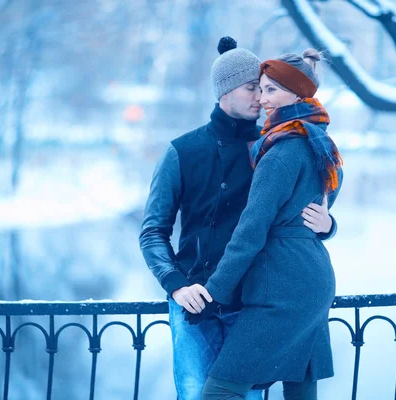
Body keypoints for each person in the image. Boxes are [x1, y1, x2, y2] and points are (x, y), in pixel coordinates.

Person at [139, 37, 339, 400]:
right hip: (194, 299)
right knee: (197, 393)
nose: (260, 99)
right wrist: (175, 284)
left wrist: (328, 224)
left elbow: (307, 201)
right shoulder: (181, 151)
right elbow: (153, 231)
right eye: (252, 88)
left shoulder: (274, 145)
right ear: (225, 91)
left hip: (252, 301)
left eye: (265, 89)